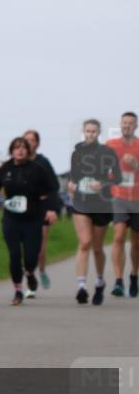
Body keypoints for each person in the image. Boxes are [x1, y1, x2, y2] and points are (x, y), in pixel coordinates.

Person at [0, 137, 59, 305]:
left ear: (28, 151)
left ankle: (30, 272)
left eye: (23, 147)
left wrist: (52, 209)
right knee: (15, 254)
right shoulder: (5, 168)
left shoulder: (37, 169)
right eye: (16, 148)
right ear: (12, 151)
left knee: (31, 256)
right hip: (11, 218)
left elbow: (52, 189)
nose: (20, 150)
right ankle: (18, 290)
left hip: (33, 219)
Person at [67, 119, 121, 305]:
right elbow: (73, 177)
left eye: (93, 131)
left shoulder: (108, 153)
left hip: (101, 204)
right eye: (87, 131)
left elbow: (118, 177)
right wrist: (71, 186)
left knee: (97, 248)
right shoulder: (77, 153)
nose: (90, 134)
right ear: (83, 132)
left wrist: (103, 183)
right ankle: (81, 286)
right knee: (85, 243)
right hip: (81, 203)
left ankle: (99, 281)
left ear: (99, 133)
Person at [22, 130, 63, 294]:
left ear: (37, 144)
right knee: (24, 248)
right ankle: (29, 280)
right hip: (23, 209)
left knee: (39, 248)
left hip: (42, 207)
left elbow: (54, 186)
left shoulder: (43, 162)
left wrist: (51, 208)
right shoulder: (17, 161)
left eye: (32, 140)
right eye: (26, 140)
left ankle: (42, 270)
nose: (29, 143)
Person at [107, 111, 139, 298]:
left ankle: (134, 275)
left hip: (137, 198)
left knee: (136, 243)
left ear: (135, 126)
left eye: (130, 123)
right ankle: (118, 281)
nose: (126, 125)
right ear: (120, 125)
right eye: (124, 122)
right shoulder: (111, 145)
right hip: (118, 197)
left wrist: (136, 165)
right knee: (118, 236)